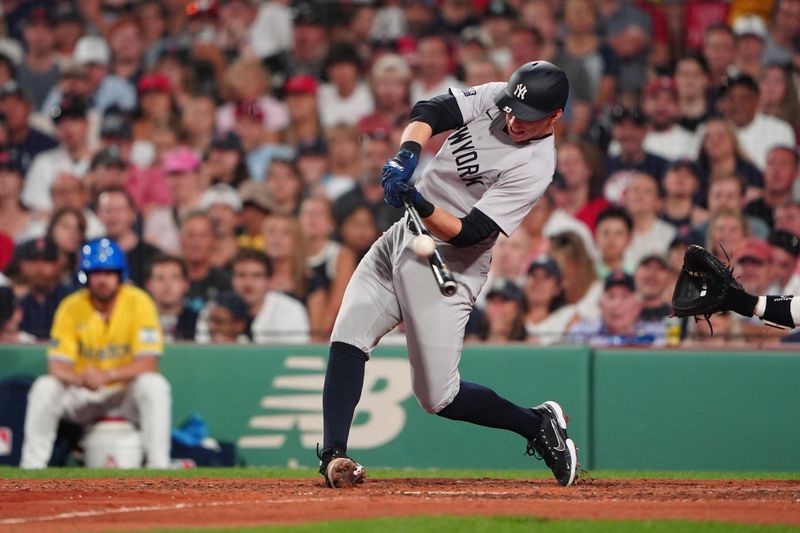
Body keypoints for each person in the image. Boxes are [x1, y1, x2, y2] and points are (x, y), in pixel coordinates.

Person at [317, 62, 578, 489]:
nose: (513, 120)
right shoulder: (502, 96)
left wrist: (418, 201)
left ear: (554, 117)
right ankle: (334, 456)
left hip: (450, 263)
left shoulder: (536, 164)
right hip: (404, 237)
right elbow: (432, 109)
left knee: (438, 397)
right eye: (512, 109)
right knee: (348, 335)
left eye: (527, 118)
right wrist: (407, 155)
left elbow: (471, 232)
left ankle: (535, 423)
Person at [20, 238, 171, 469]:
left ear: (120, 275)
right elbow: (56, 366)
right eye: (96, 273)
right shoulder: (71, 306)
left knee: (155, 385)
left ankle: (158, 465)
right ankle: (32, 466)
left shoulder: (138, 302)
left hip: (124, 393)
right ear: (85, 276)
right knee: (44, 387)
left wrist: (108, 375)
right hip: (84, 392)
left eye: (109, 273)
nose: (103, 280)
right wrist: (80, 378)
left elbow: (148, 362)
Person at [567, 271, 666, 347]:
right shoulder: (582, 333)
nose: (616, 304)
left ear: (638, 306)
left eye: (624, 297)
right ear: (600, 304)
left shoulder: (657, 333)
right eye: (611, 296)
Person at [14, 237, 72, 339]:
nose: (39, 267)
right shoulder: (17, 303)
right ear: (23, 265)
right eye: (33, 260)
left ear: (57, 265)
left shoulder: (71, 300)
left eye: (46, 261)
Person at [145, 254, 197, 342]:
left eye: (174, 277)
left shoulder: (198, 321)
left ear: (186, 284)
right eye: (160, 278)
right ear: (149, 285)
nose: (167, 284)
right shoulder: (139, 321)